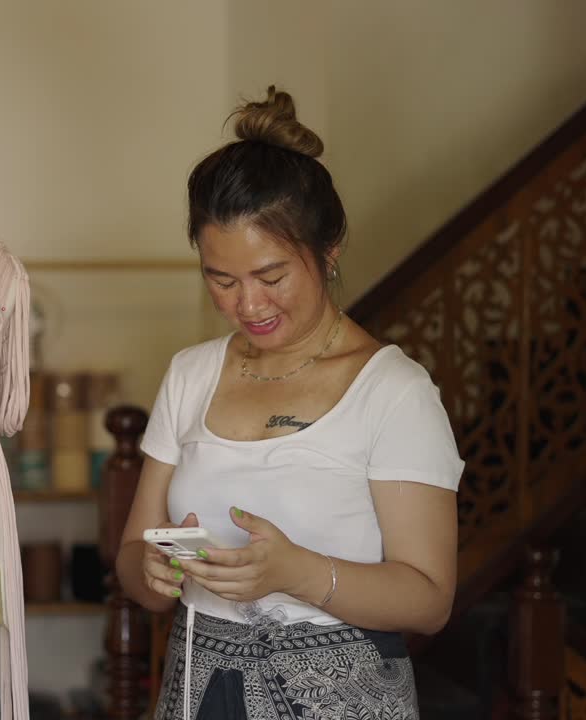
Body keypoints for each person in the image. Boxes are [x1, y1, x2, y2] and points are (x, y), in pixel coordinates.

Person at [116, 87, 464, 720]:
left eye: (272, 277)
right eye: (221, 280)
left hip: (342, 699)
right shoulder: (191, 375)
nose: (248, 305)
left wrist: (295, 571)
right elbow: (134, 564)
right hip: (198, 690)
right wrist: (153, 570)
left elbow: (429, 599)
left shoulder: (392, 391)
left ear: (328, 254)